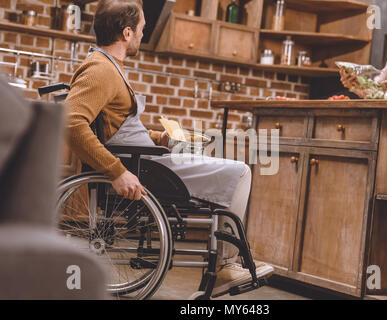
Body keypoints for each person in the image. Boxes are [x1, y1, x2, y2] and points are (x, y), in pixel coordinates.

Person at [64, 0, 273, 297]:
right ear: (126, 33)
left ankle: (227, 262)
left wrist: (158, 136)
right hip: (144, 167)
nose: (141, 35)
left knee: (225, 166)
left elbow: (114, 125)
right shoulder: (100, 70)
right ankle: (227, 264)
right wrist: (116, 171)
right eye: (140, 30)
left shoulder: (108, 66)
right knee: (240, 172)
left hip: (148, 157)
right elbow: (71, 123)